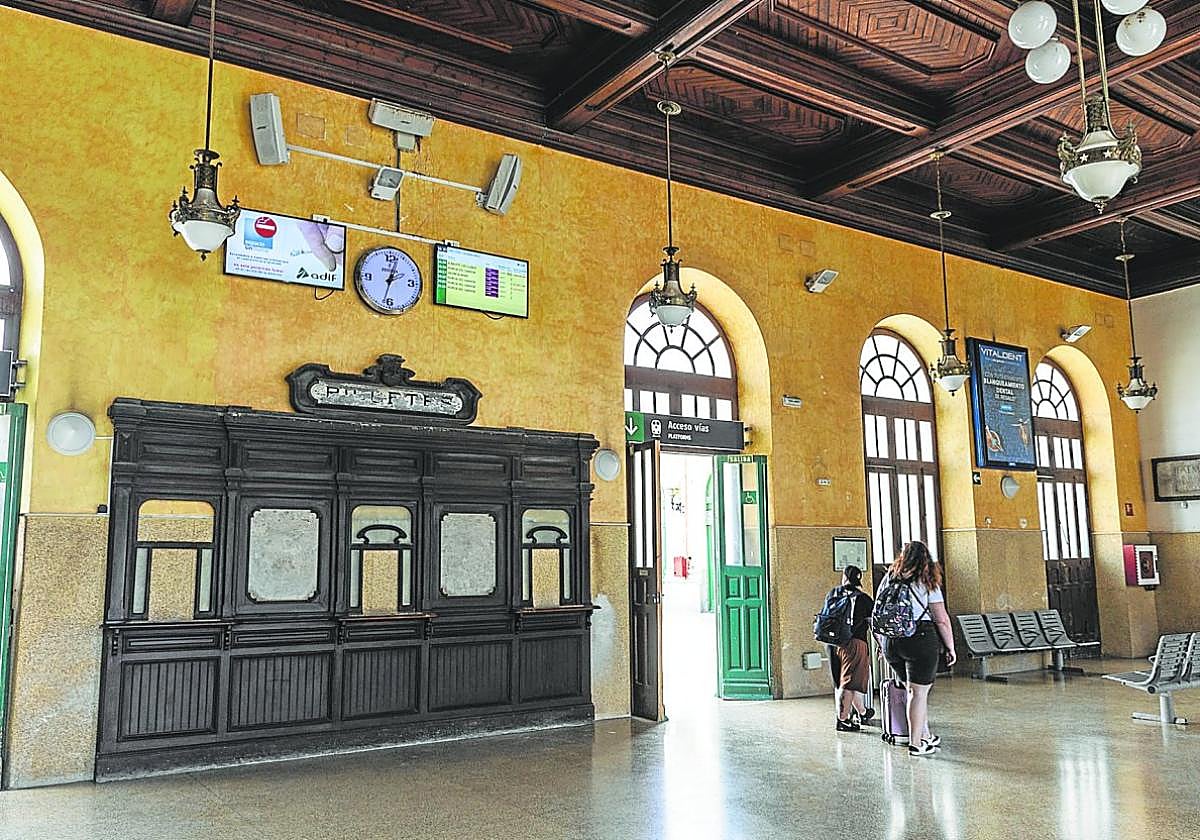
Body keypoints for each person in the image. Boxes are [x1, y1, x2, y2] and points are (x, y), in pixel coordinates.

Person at [880, 540, 956, 757]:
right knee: (918, 693)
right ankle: (915, 743)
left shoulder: (890, 578)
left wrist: (881, 642)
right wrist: (951, 647)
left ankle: (925, 735)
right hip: (919, 638)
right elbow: (941, 619)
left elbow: (879, 610)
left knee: (914, 691)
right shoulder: (926, 581)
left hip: (892, 641)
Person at [825, 565, 875, 732]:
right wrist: (881, 646)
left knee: (843, 682)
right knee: (850, 684)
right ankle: (843, 719)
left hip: (832, 644)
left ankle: (862, 712)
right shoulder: (864, 599)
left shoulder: (833, 594)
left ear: (844, 577)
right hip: (854, 644)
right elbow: (873, 625)